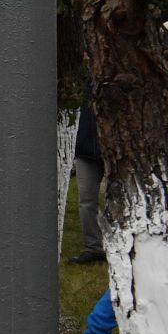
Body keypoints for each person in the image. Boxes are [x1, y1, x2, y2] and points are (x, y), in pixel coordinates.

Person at [71, 93, 105, 265]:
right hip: (84, 147)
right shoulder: (83, 78)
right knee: (86, 200)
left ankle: (122, 243)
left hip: (113, 146)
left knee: (118, 198)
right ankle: (94, 248)